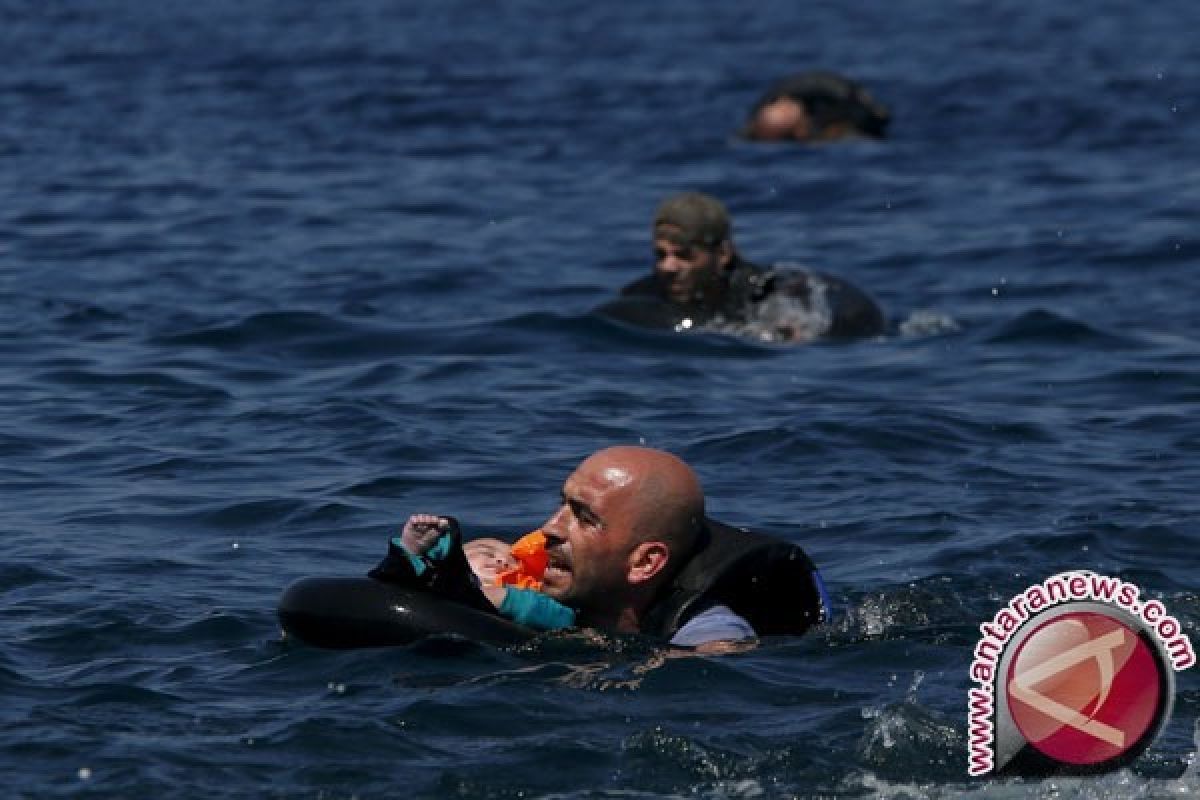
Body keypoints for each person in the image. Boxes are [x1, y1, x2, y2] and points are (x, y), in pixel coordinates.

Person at [535, 446, 828, 648]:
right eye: (562, 504)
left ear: (645, 563)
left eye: (584, 518)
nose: (551, 527)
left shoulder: (709, 635)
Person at [595, 192, 886, 343]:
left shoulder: (762, 290)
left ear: (722, 254)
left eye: (684, 256)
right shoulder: (645, 293)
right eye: (660, 255)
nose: (668, 267)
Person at [369, 514, 576, 631]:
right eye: (486, 552)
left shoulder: (535, 598)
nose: (500, 560)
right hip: (445, 592)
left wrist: (499, 596)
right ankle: (409, 554)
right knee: (398, 573)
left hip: (503, 618)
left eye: (514, 564)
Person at [740, 71, 890, 143]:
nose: (785, 104)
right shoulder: (824, 131)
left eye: (782, 104)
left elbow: (814, 81)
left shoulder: (799, 95)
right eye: (785, 113)